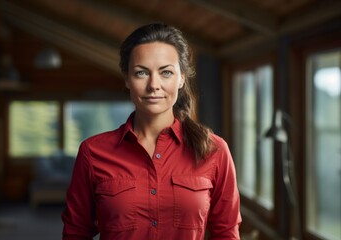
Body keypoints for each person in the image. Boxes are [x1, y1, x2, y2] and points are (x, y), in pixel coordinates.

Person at [62, 22, 241, 240]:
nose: (153, 84)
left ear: (181, 78)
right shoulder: (92, 152)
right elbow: (75, 232)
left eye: (166, 72)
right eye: (141, 73)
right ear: (127, 78)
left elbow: (226, 233)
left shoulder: (215, 150)